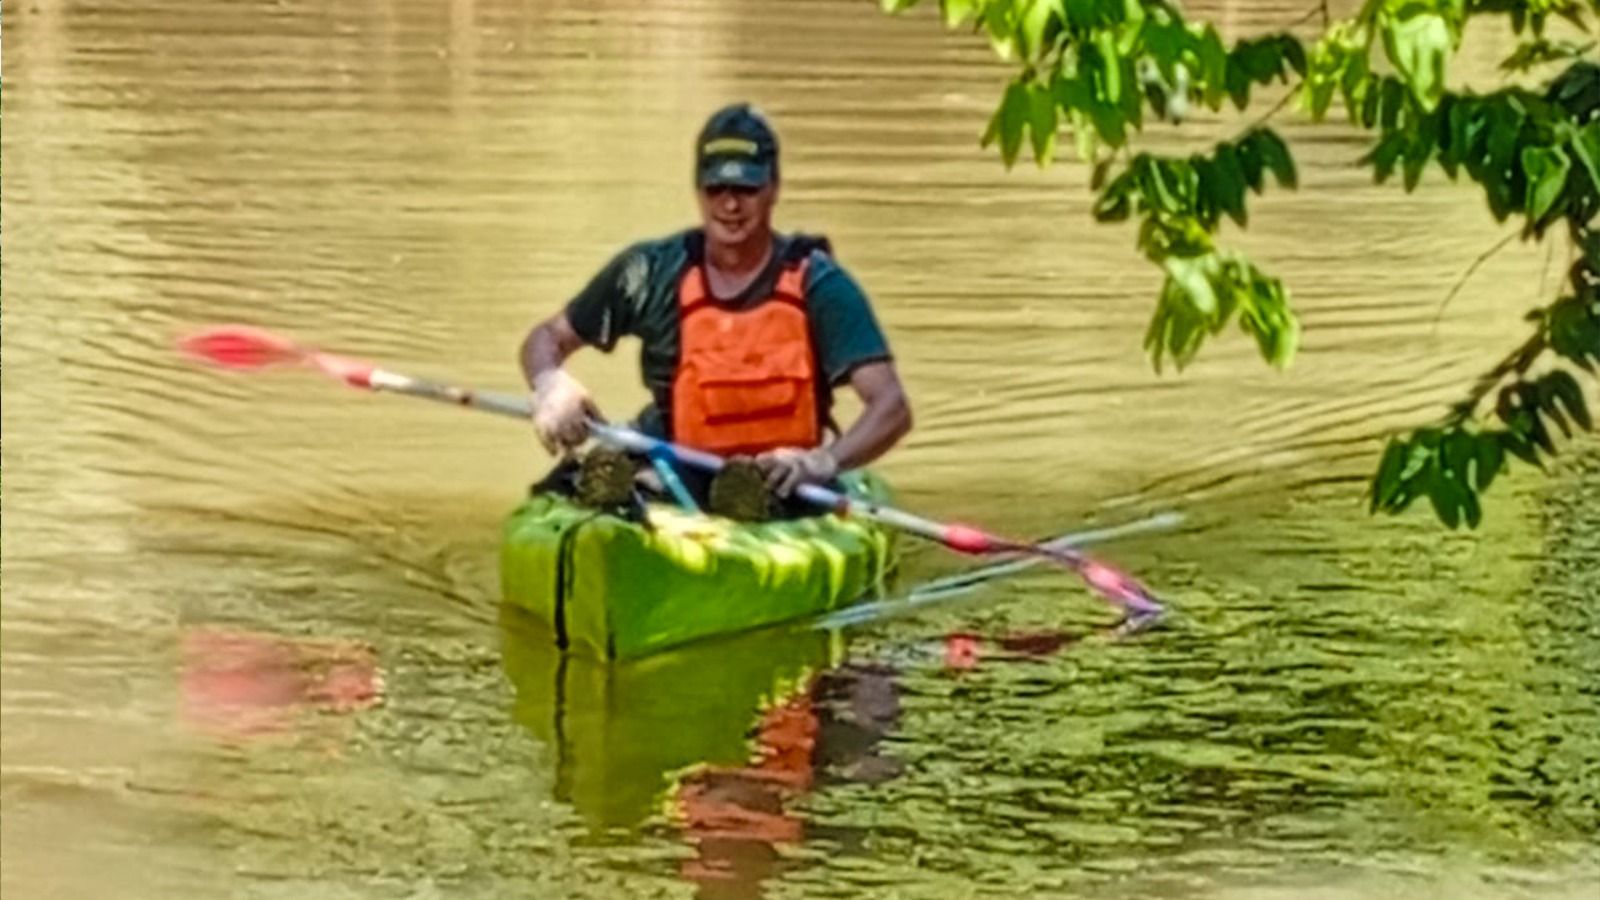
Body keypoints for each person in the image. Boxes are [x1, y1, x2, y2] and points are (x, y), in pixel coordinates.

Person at [519, 102, 912, 504]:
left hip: (786, 478)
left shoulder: (819, 284)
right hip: (675, 467)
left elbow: (891, 407)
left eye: (746, 190)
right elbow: (547, 336)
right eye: (716, 189)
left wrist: (823, 462)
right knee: (622, 484)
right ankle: (627, 493)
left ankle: (740, 503)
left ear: (773, 189)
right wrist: (550, 383)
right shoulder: (648, 272)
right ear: (698, 190)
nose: (729, 206)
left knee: (758, 496)